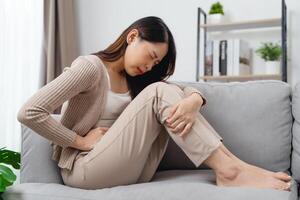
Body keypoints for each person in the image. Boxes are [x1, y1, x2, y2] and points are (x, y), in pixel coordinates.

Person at [17, 16, 292, 191]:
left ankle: (236, 167)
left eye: (156, 63)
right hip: (85, 169)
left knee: (169, 94)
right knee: (160, 91)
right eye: (150, 55)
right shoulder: (89, 68)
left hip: (132, 168)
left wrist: (195, 99)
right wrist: (79, 141)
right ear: (132, 36)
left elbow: (179, 90)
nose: (149, 65)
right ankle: (230, 171)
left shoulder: (139, 81)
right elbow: (29, 112)